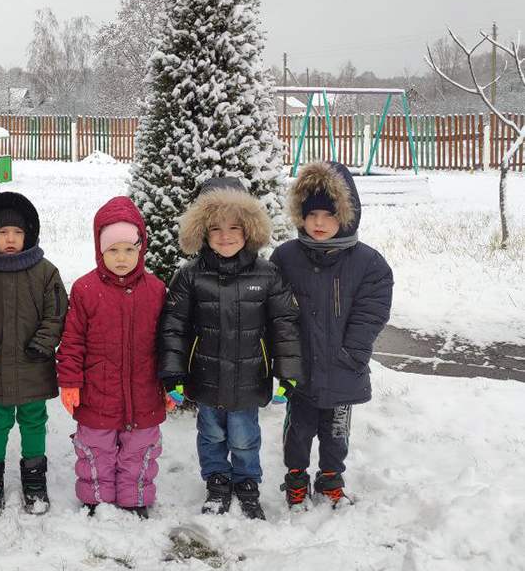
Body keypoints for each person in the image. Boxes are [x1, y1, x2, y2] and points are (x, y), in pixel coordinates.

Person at [157, 177, 301, 520]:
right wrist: (173, 374)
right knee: (210, 434)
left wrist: (288, 373)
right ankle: (217, 480)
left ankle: (248, 483)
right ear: (202, 233)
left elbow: (285, 325)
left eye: (234, 226)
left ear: (249, 229)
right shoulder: (190, 276)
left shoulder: (268, 275)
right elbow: (173, 326)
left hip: (249, 378)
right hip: (205, 377)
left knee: (244, 436)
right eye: (216, 228)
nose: (225, 235)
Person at [270, 161, 393, 508]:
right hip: (302, 369)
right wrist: (287, 354)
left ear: (346, 215)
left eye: (328, 214)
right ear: (300, 216)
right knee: (298, 430)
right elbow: (277, 309)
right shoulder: (286, 257)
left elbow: (371, 312)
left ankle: (330, 478)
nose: (319, 223)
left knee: (336, 434)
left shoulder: (368, 263)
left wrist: (352, 353)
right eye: (311, 215)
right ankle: (295, 478)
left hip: (344, 367)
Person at [56, 196, 166, 519]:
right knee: (96, 448)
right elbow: (72, 340)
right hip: (97, 394)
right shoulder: (85, 289)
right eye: (113, 250)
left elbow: (167, 343)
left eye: (129, 249)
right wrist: (70, 383)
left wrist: (169, 383)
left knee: (139, 449)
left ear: (141, 250)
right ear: (99, 250)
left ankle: (136, 498)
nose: (121, 258)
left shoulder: (156, 290)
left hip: (144, 391)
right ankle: (96, 498)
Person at [0, 191, 68, 519]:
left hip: (33, 363)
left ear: (29, 235)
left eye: (17, 233)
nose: (10, 239)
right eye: (3, 233)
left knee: (34, 420)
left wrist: (43, 342)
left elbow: (58, 311)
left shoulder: (46, 272)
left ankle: (34, 476)